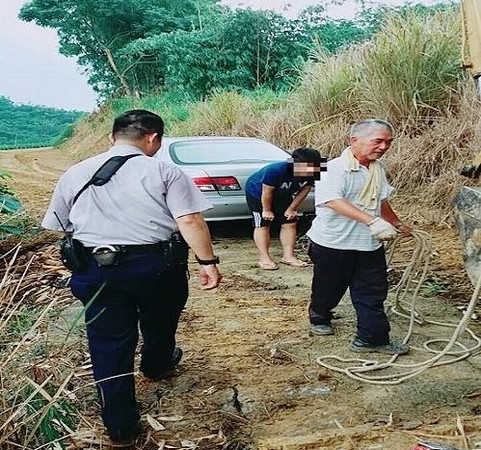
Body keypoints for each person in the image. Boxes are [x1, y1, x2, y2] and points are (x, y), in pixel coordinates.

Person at [41, 109, 222, 446]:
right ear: (153, 138)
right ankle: (156, 365)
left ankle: (120, 426)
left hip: (95, 269)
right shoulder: (164, 170)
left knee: (108, 343)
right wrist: (207, 261)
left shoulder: (75, 172)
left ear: (113, 137)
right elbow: (190, 220)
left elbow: (60, 226)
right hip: (154, 266)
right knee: (161, 320)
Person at [306, 119, 412, 355]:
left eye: (388, 142)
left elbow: (381, 198)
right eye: (378, 141)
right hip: (332, 243)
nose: (384, 147)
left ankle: (371, 338)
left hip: (369, 244)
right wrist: (372, 221)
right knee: (328, 289)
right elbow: (333, 201)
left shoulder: (376, 169)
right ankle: (319, 316)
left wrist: (394, 222)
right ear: (354, 140)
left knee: (372, 293)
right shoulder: (331, 168)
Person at [245, 147, 322, 270]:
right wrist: (267, 210)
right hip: (258, 193)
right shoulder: (275, 170)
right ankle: (264, 257)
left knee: (290, 222)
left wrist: (292, 208)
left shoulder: (314, 170)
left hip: (283, 194)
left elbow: (304, 190)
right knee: (263, 224)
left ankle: (288, 256)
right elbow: (267, 192)